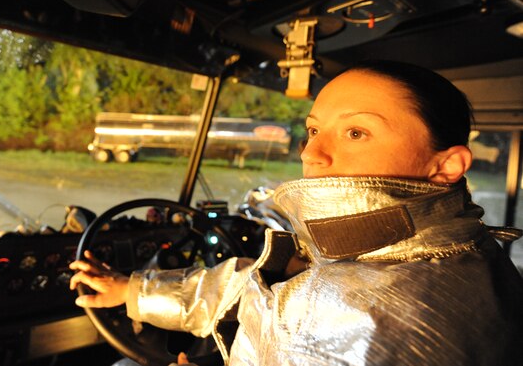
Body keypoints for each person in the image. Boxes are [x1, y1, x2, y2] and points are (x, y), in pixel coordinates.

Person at [69, 60, 523, 366]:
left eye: (357, 132)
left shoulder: (378, 309)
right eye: (313, 128)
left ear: (445, 165)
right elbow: (261, 295)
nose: (312, 153)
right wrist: (134, 290)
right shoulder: (440, 252)